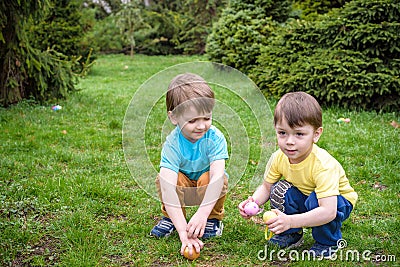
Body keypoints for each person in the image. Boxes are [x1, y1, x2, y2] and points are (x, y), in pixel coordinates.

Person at [238, 91, 357, 258]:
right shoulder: (278, 158)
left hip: (337, 201)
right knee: (279, 189)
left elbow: (328, 211)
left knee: (316, 200)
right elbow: (266, 187)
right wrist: (253, 202)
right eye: (282, 133)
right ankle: (291, 233)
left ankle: (328, 241)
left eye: (299, 134)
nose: (289, 141)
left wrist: (291, 219)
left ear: (316, 134)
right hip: (308, 196)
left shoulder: (323, 165)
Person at [150, 73, 229, 257]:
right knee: (165, 180)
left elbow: (217, 178)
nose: (201, 126)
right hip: (183, 184)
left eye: (207, 118)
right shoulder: (172, 144)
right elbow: (168, 187)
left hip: (206, 184)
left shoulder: (215, 138)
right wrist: (183, 232)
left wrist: (202, 214)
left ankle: (212, 218)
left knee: (212, 178)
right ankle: (172, 218)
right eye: (192, 120)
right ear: (174, 117)